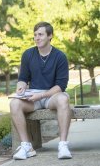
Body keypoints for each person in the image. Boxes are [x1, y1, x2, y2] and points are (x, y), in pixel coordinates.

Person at [10, 21, 72, 160]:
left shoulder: (60, 56)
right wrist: (21, 86)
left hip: (52, 96)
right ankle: (27, 147)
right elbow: (23, 78)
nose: (37, 38)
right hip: (33, 97)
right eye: (35, 35)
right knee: (14, 103)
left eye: (41, 34)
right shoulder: (28, 54)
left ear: (50, 36)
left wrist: (42, 95)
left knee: (63, 98)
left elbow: (61, 86)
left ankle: (63, 145)